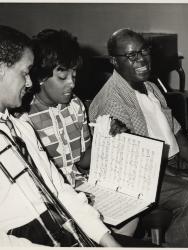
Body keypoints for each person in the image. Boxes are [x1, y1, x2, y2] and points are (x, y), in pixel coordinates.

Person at [0, 25, 152, 247]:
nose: (72, 83)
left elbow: (71, 173)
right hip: (48, 219)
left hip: (69, 203)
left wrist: (107, 139)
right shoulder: (24, 118)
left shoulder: (30, 125)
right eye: (25, 73)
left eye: (74, 75)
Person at [88, 28, 188, 247]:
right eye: (132, 55)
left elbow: (176, 130)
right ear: (114, 61)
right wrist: (181, 175)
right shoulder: (112, 100)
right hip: (140, 177)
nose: (141, 59)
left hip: (172, 163)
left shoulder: (150, 86)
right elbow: (134, 159)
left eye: (144, 51)